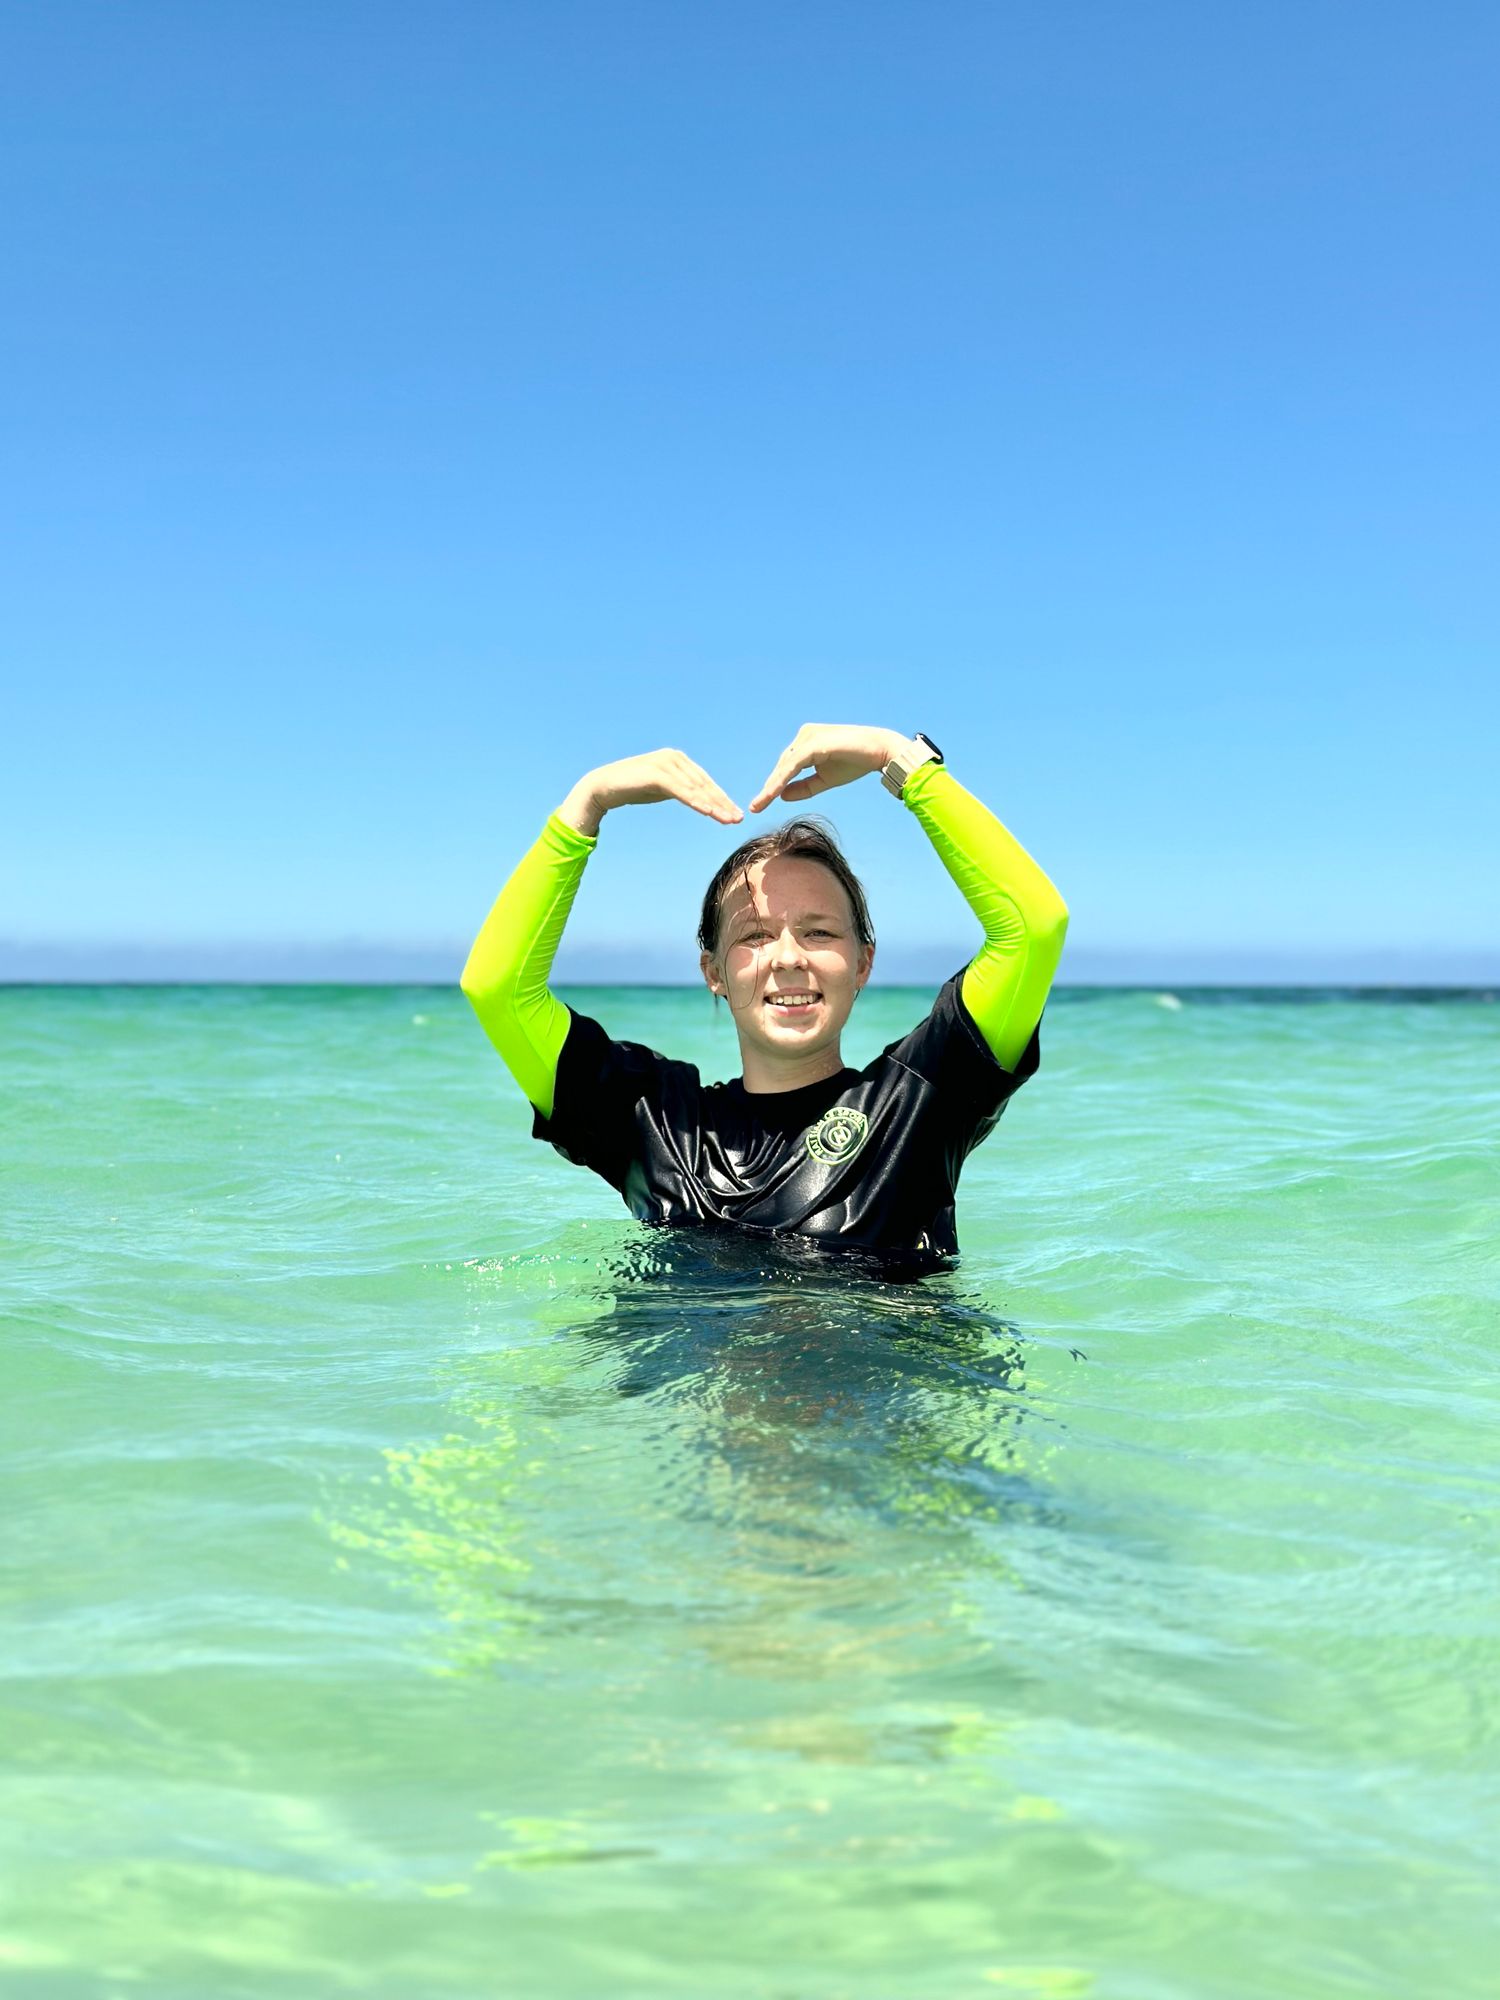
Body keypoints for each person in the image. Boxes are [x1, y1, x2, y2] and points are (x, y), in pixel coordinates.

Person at [461, 723, 1068, 1267]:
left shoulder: (918, 1102)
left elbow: (1032, 929)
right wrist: (586, 803)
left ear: (863, 963)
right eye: (755, 936)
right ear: (714, 972)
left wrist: (898, 759)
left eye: (819, 932)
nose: (788, 956)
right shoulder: (655, 1123)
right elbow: (497, 987)